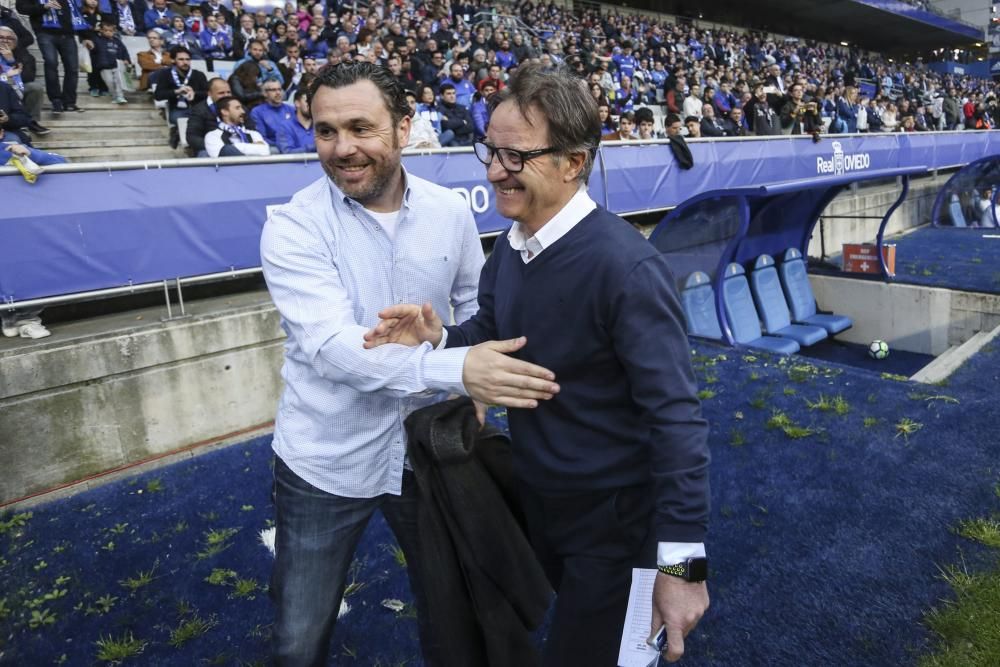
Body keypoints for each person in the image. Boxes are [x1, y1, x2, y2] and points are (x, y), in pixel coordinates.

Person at [364, 62, 710, 667]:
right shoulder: (514, 249)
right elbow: (495, 338)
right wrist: (441, 337)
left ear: (574, 162)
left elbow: (678, 423)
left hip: (615, 525)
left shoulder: (626, 269)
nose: (496, 171)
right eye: (490, 151)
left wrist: (683, 569)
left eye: (515, 156)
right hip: (543, 504)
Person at [259, 60, 557, 666]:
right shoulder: (291, 227)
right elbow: (333, 350)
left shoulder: (449, 210)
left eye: (361, 128)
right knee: (298, 637)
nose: (343, 148)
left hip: (430, 452)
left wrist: (456, 359)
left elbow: (477, 302)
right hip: (324, 460)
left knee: (457, 610)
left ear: (403, 127)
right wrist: (455, 369)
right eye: (325, 131)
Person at [16, 0, 89, 113]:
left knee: (73, 68)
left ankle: (69, 102)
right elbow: (21, 8)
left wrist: (85, 36)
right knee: (51, 63)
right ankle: (56, 101)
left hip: (68, 34)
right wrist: (43, 6)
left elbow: (76, 11)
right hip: (45, 32)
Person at [203, 95, 268, 156]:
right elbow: (220, 158)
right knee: (227, 150)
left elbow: (265, 152)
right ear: (225, 112)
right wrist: (253, 147)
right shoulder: (212, 136)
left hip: (256, 167)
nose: (243, 111)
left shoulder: (253, 134)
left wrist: (235, 147)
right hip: (230, 168)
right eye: (237, 108)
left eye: (242, 108)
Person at [90, 22, 131, 104]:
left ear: (114, 31)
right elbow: (93, 50)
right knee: (109, 82)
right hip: (104, 66)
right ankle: (114, 96)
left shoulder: (118, 41)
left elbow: (124, 51)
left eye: (111, 31)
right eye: (106, 30)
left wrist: (126, 59)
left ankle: (120, 96)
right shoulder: (97, 40)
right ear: (101, 31)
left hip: (117, 65)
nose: (108, 32)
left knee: (118, 80)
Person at [249, 78, 292, 148]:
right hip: (273, 148)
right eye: (273, 90)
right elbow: (262, 138)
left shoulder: (291, 109)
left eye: (279, 89)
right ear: (265, 93)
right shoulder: (257, 112)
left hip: (294, 147)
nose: (278, 93)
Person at [275, 87, 313, 153]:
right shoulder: (285, 127)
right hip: (298, 163)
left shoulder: (320, 125)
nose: (311, 104)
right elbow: (287, 152)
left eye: (312, 101)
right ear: (297, 103)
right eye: (307, 101)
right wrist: (313, 147)